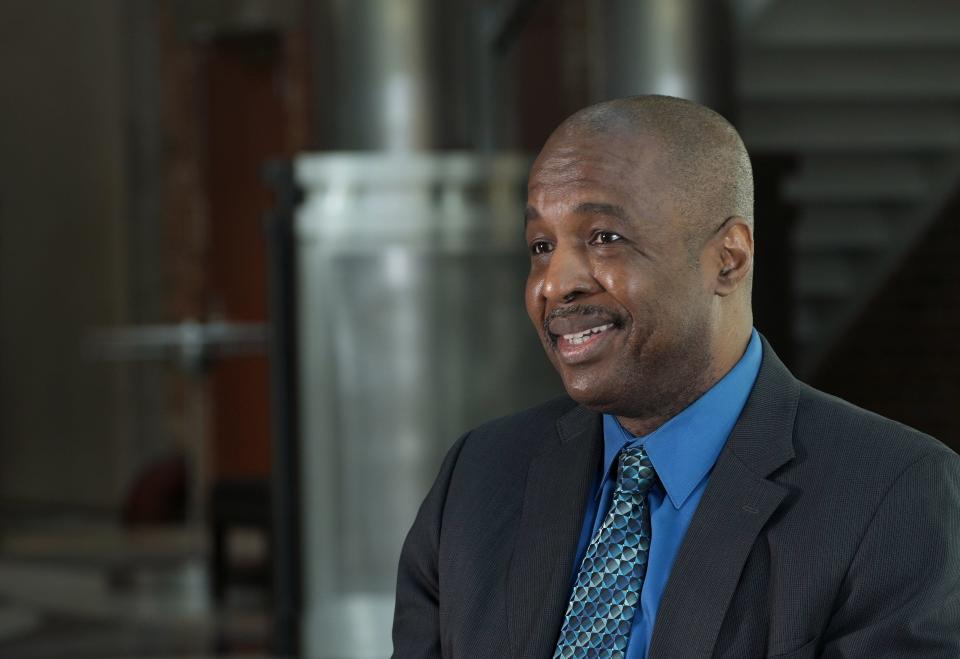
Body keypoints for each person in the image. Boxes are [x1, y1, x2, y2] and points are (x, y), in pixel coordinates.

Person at [391, 95, 960, 658]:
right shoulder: (478, 476)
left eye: (604, 238)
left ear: (728, 259)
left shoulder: (895, 491)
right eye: (541, 246)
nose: (554, 284)